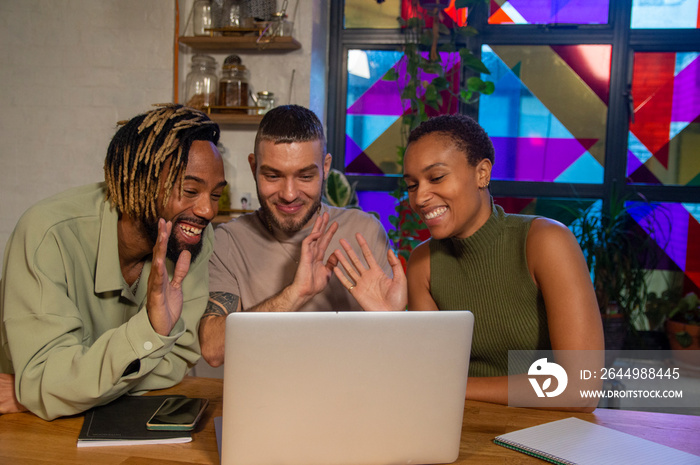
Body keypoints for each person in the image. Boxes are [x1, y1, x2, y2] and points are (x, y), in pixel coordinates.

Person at [332, 114, 604, 412]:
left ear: (482, 173)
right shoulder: (424, 262)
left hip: (546, 432)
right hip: (460, 428)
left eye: (436, 177)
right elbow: (427, 375)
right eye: (412, 185)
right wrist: (393, 323)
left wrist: (453, 387)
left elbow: (580, 387)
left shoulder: (546, 242)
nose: (420, 197)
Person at [0, 104, 227, 420]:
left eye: (216, 195)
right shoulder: (48, 234)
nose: (207, 211)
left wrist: (59, 392)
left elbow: (178, 360)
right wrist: (47, 388)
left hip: (100, 419)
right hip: (25, 427)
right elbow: (44, 379)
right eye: (190, 190)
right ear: (141, 182)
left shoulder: (193, 238)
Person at [200, 105, 400, 367]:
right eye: (273, 175)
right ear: (253, 166)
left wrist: (394, 320)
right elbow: (213, 350)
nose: (289, 194)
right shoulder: (228, 240)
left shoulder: (365, 232)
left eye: (305, 176)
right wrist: (295, 294)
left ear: (325, 167)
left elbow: (393, 356)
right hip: (266, 402)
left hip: (353, 398)